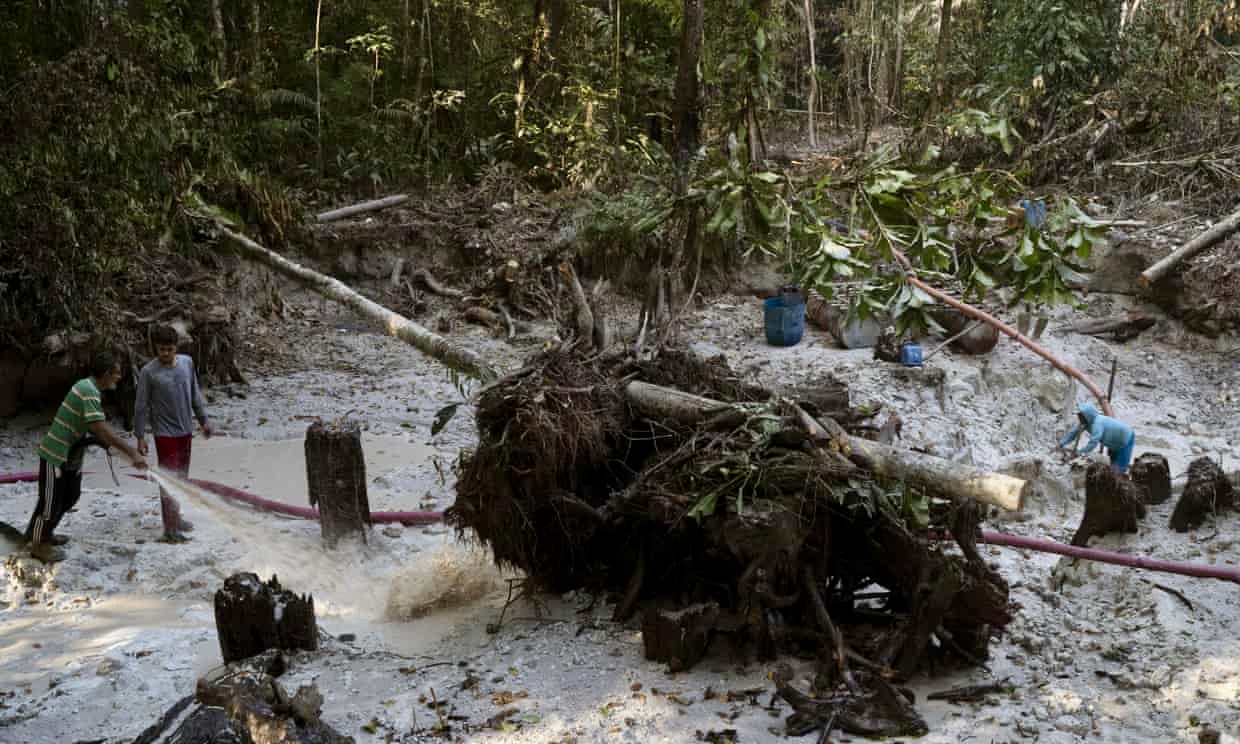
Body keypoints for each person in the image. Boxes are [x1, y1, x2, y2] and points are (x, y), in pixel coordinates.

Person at [27, 351, 148, 563]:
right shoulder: (88, 390)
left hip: (71, 455)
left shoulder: (91, 389)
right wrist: (132, 452)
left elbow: (92, 428)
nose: (119, 377)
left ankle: (44, 533)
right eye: (117, 373)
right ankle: (38, 544)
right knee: (50, 503)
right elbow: (99, 428)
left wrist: (109, 446)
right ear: (106, 374)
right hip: (55, 455)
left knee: (70, 496)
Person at [133, 325, 214, 543]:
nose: (166, 354)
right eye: (161, 350)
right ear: (156, 349)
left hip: (185, 429)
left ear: (176, 347)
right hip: (164, 433)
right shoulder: (149, 372)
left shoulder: (187, 363)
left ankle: (176, 518)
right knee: (169, 479)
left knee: (182, 478)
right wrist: (140, 436)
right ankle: (169, 529)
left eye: (169, 349)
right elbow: (141, 406)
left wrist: (204, 420)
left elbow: (194, 394)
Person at [1058, 402, 1135, 474]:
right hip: (1113, 442)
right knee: (1113, 463)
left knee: (1119, 470)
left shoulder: (1097, 423)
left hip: (1125, 440)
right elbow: (1073, 433)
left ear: (1087, 416)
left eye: (1081, 416)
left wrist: (1080, 453)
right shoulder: (1084, 422)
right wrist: (1061, 443)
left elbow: (1093, 442)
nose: (1079, 418)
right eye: (1079, 416)